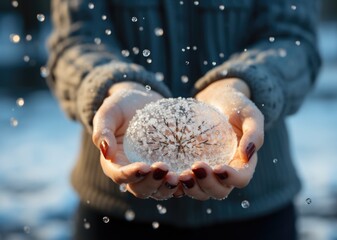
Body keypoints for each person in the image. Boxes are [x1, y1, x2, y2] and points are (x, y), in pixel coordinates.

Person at [45, 0, 321, 239]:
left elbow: (294, 40)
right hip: (115, 213)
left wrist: (242, 83)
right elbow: (74, 40)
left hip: (258, 212)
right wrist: (113, 84)